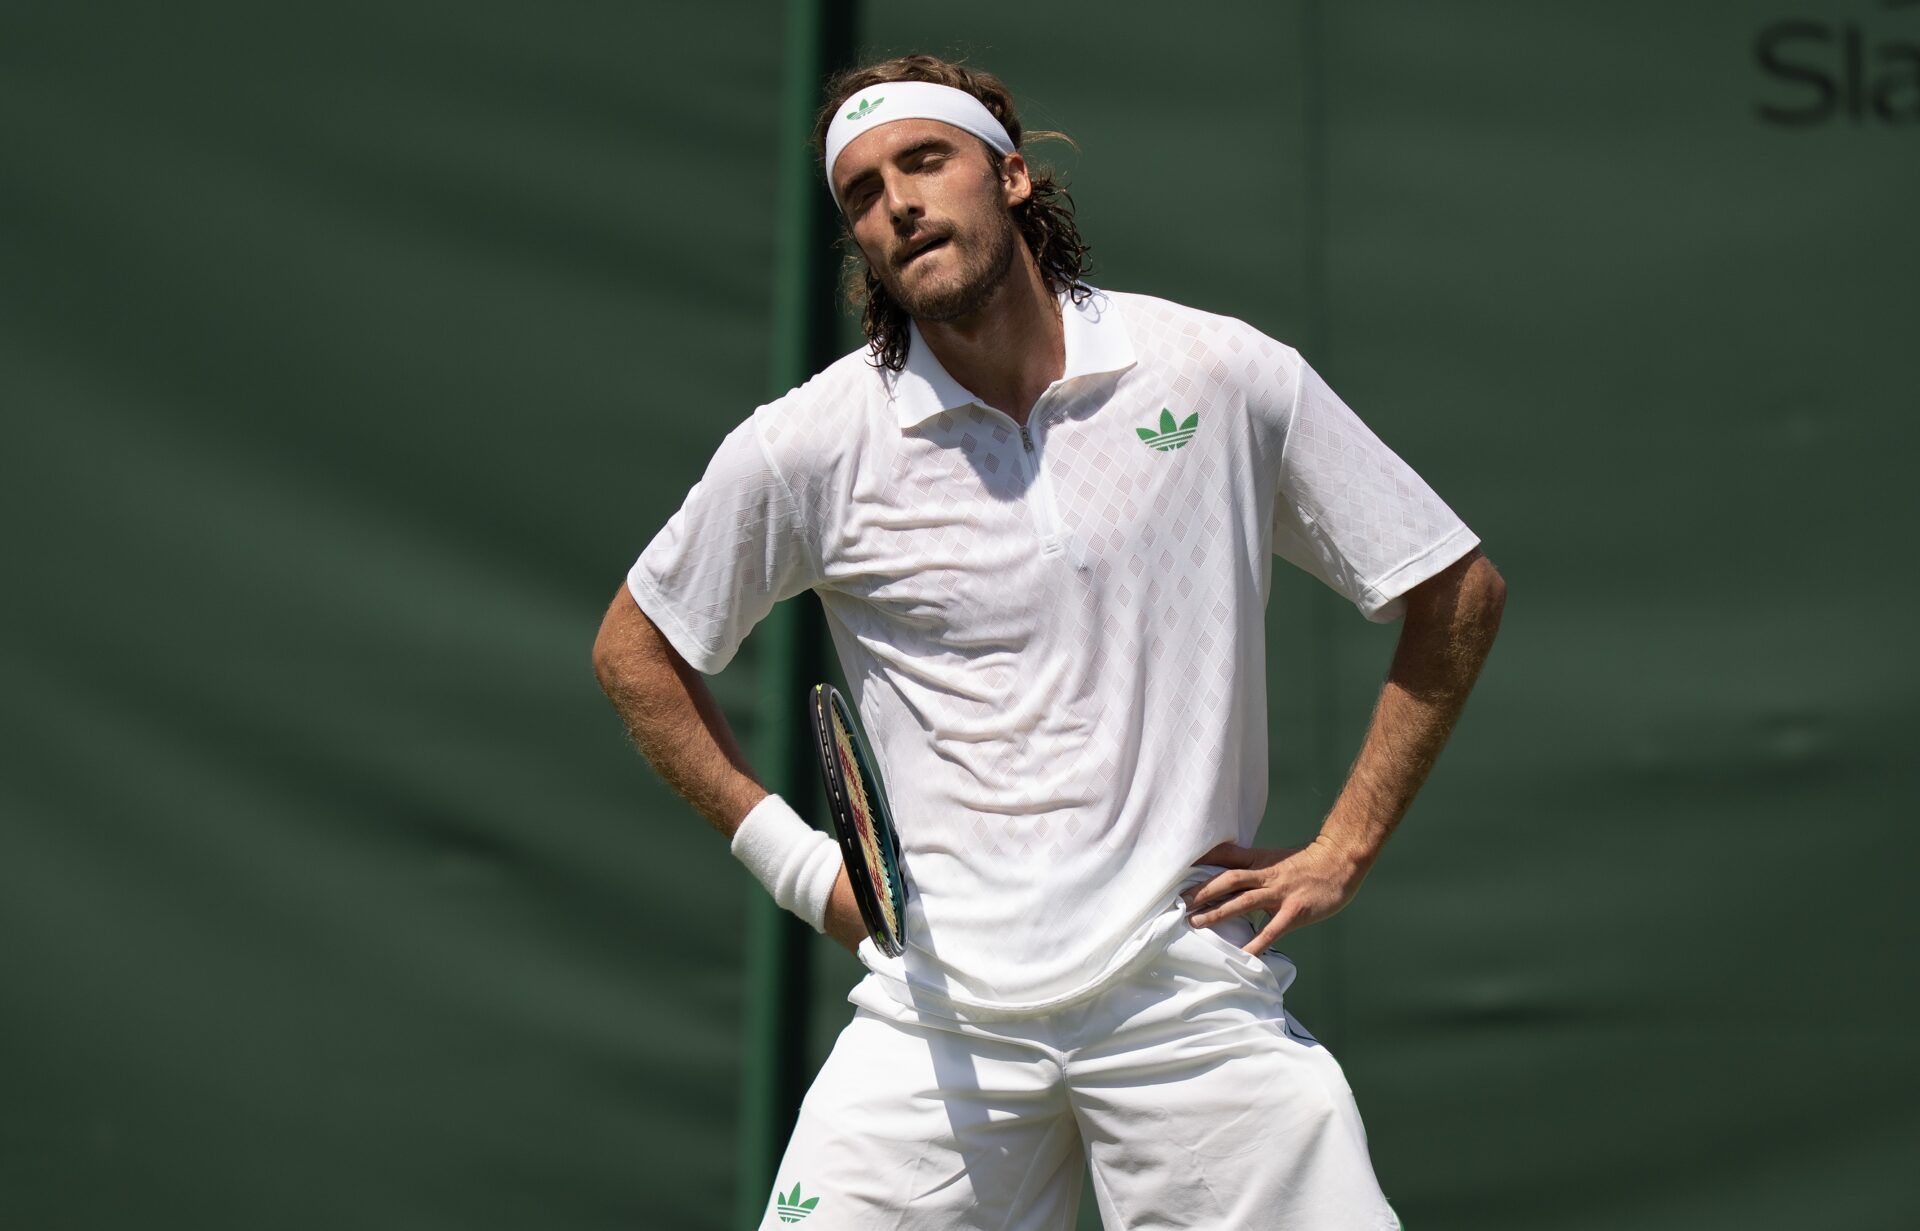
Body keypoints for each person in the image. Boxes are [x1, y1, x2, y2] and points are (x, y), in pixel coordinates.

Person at [593, 53, 1505, 1231]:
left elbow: (1454, 590)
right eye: (862, 192)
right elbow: (636, 648)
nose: (898, 203)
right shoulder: (809, 445)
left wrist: (1346, 846)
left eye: (926, 161)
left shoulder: (1219, 373)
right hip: (934, 1012)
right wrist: (802, 868)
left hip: (1184, 991)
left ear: (1012, 176)